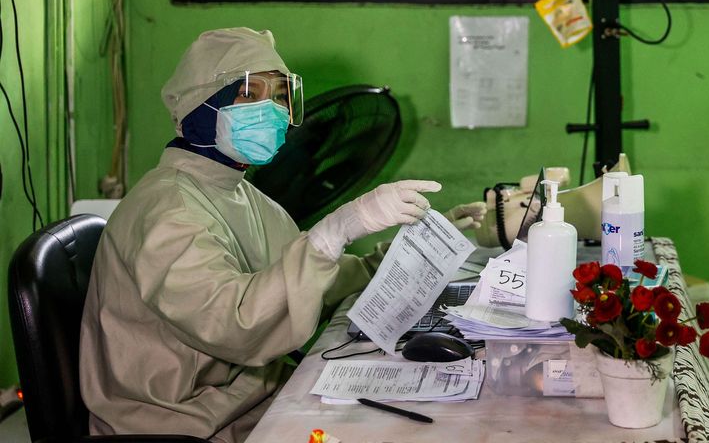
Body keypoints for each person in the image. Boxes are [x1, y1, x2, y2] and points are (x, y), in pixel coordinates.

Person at [79, 28, 485, 441]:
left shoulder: (242, 195)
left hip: (249, 399)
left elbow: (315, 282)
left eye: (278, 96)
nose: (271, 110)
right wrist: (335, 230)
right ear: (202, 106)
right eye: (249, 94)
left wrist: (425, 242)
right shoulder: (166, 210)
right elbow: (235, 326)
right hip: (183, 423)